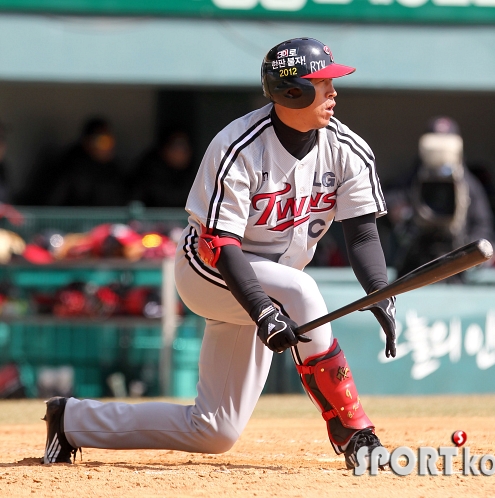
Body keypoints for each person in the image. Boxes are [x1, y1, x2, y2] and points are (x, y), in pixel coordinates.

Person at [41, 38, 397, 472]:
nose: (334, 93)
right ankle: (354, 429)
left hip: (272, 288)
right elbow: (221, 246)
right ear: (292, 92)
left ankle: (71, 419)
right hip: (209, 271)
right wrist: (264, 309)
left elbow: (361, 236)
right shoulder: (239, 146)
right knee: (301, 290)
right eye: (324, 83)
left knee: (214, 430)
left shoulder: (347, 149)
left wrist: (379, 290)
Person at [389, 116, 494, 278]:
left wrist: (469, 248)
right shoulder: (413, 179)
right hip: (416, 258)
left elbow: (483, 224)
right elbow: (389, 201)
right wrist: (403, 215)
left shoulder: (468, 184)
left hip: (455, 259)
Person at [47, 118, 125, 206]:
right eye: (103, 141)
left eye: (111, 141)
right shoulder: (70, 168)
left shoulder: (113, 169)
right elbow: (53, 204)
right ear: (87, 142)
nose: (109, 147)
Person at [128, 128, 196, 207]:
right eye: (176, 145)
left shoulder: (196, 176)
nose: (180, 152)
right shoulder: (147, 174)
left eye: (185, 147)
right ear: (164, 149)